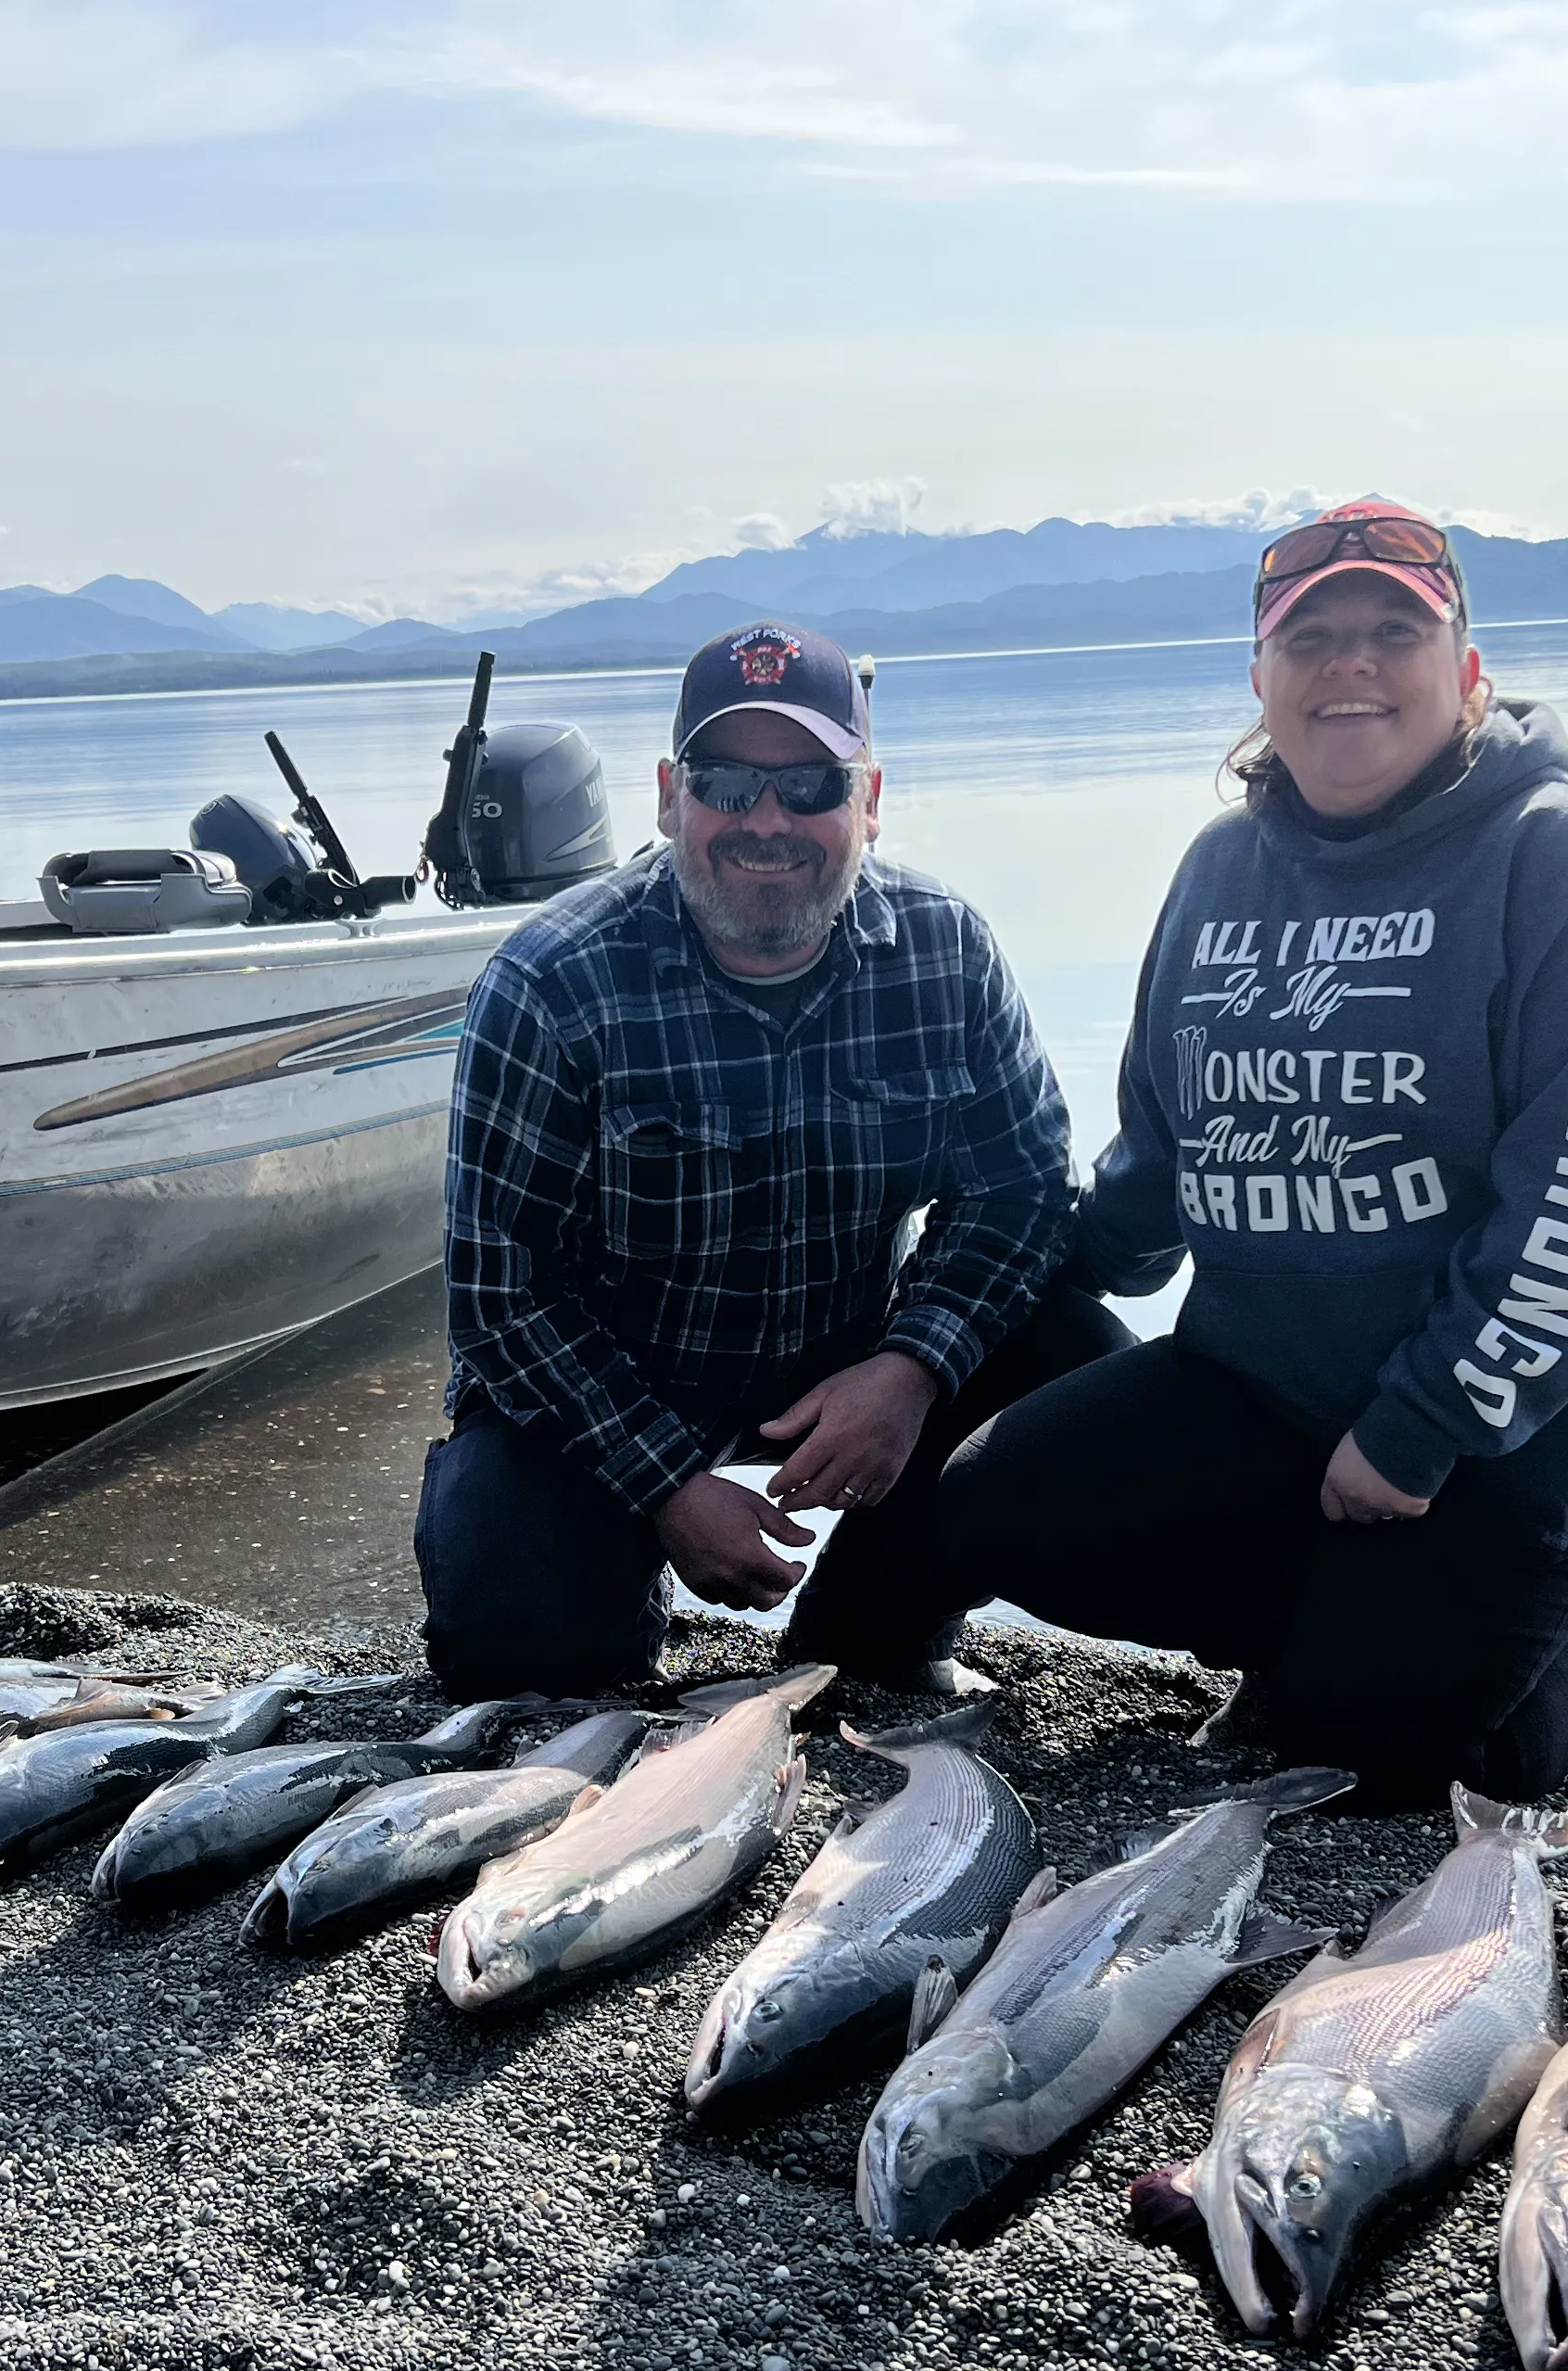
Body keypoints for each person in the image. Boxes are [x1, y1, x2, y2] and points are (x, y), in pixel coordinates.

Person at [938, 497, 1568, 1800]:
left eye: (1392, 632)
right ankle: (1340, 1641)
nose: (1350, 664)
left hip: (1517, 1435)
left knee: (1381, 1761)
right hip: (1270, 1394)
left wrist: (1421, 1425)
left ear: (1465, 672)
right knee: (994, 1505)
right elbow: (1163, 1150)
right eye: (1312, 640)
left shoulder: (1557, 861)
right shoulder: (1218, 871)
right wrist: (1033, 1271)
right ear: (1262, 678)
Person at [413, 620, 1128, 1699]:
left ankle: (873, 1621)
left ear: (869, 802)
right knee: (518, 1641)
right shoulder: (550, 981)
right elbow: (500, 1294)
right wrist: (667, 1486)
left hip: (839, 1360)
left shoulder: (947, 951)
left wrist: (909, 1370)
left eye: (809, 786)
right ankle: (609, 1610)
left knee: (1081, 1361)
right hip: (608, 1387)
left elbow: (1020, 1192)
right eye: (727, 782)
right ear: (668, 796)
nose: (766, 820)